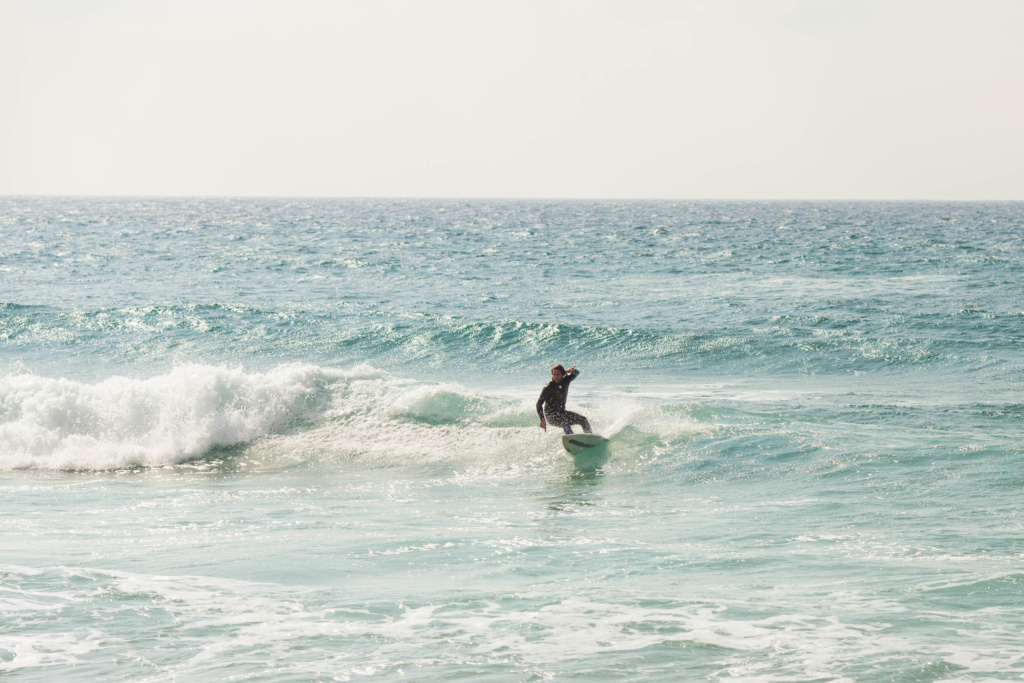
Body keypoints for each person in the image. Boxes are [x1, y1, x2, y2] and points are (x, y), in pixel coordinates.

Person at [536, 364, 592, 435]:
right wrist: (542, 419)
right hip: (551, 416)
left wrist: (571, 371)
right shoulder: (548, 387)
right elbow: (539, 404)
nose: (556, 377)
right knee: (565, 422)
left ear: (562, 374)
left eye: (558, 374)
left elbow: (577, 372)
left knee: (583, 419)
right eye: (554, 374)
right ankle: (571, 438)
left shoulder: (566, 380)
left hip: (561, 413)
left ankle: (590, 437)